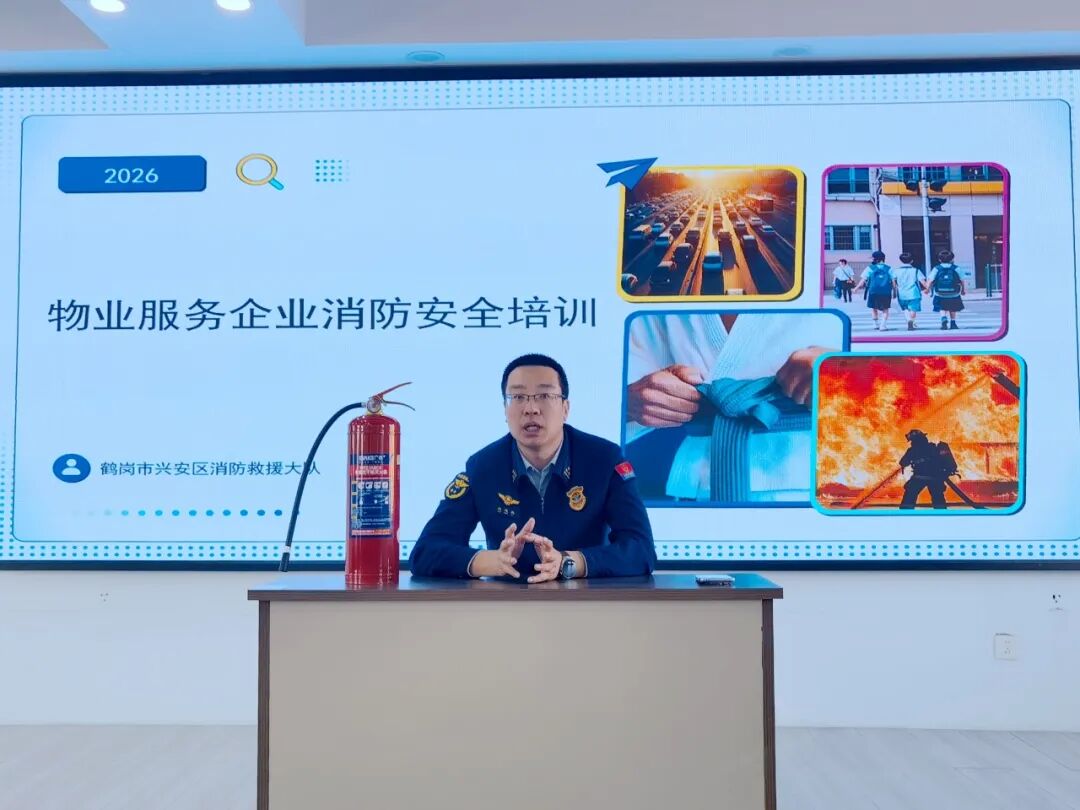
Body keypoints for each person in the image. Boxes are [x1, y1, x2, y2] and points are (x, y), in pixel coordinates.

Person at [410, 354, 656, 581]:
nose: (531, 409)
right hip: (507, 605)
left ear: (565, 409)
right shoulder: (483, 467)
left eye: (544, 396)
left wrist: (568, 563)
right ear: (505, 410)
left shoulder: (604, 460)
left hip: (585, 603)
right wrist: (491, 561)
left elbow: (641, 549)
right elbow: (425, 551)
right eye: (518, 397)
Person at [625, 312, 842, 503]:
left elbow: (862, 372)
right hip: (702, 479)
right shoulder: (653, 299)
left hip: (823, 477)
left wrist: (847, 371)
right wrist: (630, 401)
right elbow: (618, 390)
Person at [898, 429, 958, 509]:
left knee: (909, 496)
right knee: (938, 499)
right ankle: (941, 514)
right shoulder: (932, 447)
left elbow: (903, 462)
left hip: (919, 477)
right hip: (935, 477)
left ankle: (905, 513)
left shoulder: (912, 450)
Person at [926, 249, 966, 330]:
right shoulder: (956, 268)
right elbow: (962, 280)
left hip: (940, 293)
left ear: (939, 259)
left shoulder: (937, 268)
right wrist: (963, 290)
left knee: (942, 307)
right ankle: (953, 323)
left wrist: (927, 289)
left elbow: (930, 280)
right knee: (953, 308)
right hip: (954, 293)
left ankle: (943, 318)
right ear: (952, 259)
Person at [854, 250, 894, 331]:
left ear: (876, 259)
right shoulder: (889, 268)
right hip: (886, 292)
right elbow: (894, 281)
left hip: (873, 291)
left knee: (873, 308)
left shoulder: (870, 268)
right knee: (885, 309)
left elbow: (863, 280)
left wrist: (856, 288)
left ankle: (875, 324)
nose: (872, 260)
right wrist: (895, 291)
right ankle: (883, 325)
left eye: (873, 258)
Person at [892, 252, 928, 331]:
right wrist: (927, 288)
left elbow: (893, 283)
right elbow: (923, 282)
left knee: (905, 308)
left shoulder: (896, 271)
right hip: (914, 293)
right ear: (911, 261)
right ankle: (911, 321)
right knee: (913, 309)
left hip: (901, 294)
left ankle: (909, 320)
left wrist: (894, 292)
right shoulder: (916, 271)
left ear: (901, 261)